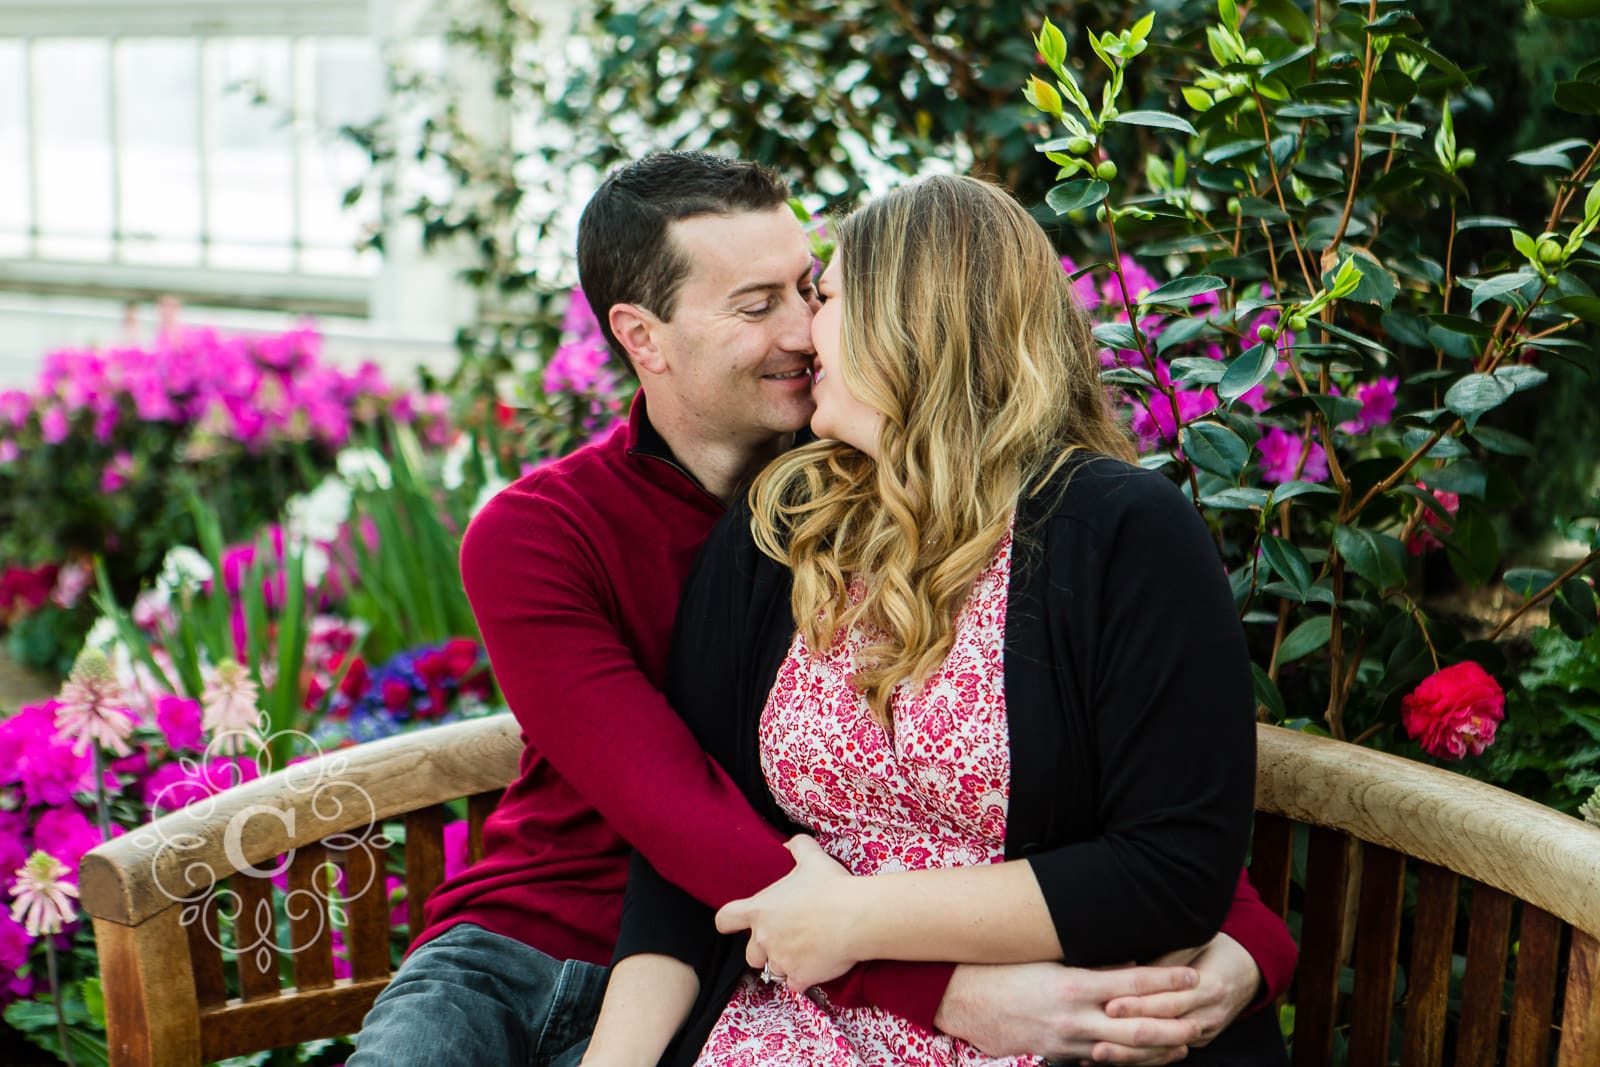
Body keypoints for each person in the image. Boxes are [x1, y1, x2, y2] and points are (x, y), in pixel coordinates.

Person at [349, 153, 1294, 1067]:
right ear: (642, 337)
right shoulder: (695, 529)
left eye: (815, 290)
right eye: (762, 306)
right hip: (558, 949)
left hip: (807, 973)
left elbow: (1161, 831)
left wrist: (1246, 936)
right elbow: (688, 829)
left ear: (918, 323)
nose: (804, 331)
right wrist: (936, 983)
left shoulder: (1077, 525)